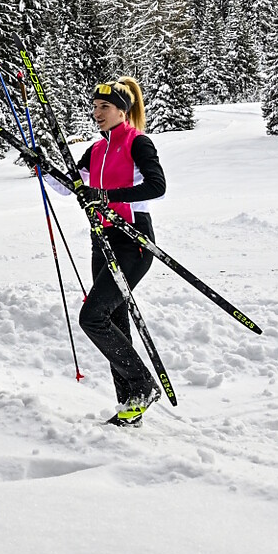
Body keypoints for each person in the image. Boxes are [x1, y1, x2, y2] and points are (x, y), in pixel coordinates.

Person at [79, 76, 167, 427]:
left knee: (92, 317)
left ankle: (143, 385)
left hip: (133, 240)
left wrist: (106, 197)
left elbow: (157, 187)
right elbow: (69, 184)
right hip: (101, 240)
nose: (97, 113)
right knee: (114, 320)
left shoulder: (138, 143)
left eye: (105, 107)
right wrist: (38, 163)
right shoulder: (96, 149)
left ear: (122, 110)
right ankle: (130, 404)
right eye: (95, 107)